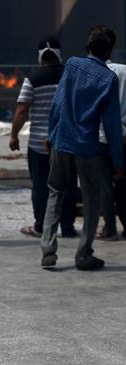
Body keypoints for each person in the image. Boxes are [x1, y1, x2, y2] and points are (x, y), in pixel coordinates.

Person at [41, 26, 124, 271]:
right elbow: (111, 125)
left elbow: (58, 102)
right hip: (87, 146)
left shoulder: (72, 65)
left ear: (87, 46)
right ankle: (83, 254)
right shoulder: (110, 79)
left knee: (55, 192)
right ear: (109, 51)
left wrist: (51, 132)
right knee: (92, 198)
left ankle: (47, 250)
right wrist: (118, 161)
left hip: (62, 140)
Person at [9, 37, 78, 239]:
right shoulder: (71, 76)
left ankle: (40, 226)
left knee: (40, 186)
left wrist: (13, 135)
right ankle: (67, 227)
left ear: (40, 56)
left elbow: (22, 109)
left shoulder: (33, 78)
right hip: (67, 142)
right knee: (68, 184)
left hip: (39, 143)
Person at [96, 33, 126, 240]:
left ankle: (109, 227)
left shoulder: (94, 72)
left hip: (101, 135)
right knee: (124, 183)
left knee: (103, 184)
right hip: (124, 135)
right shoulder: (124, 71)